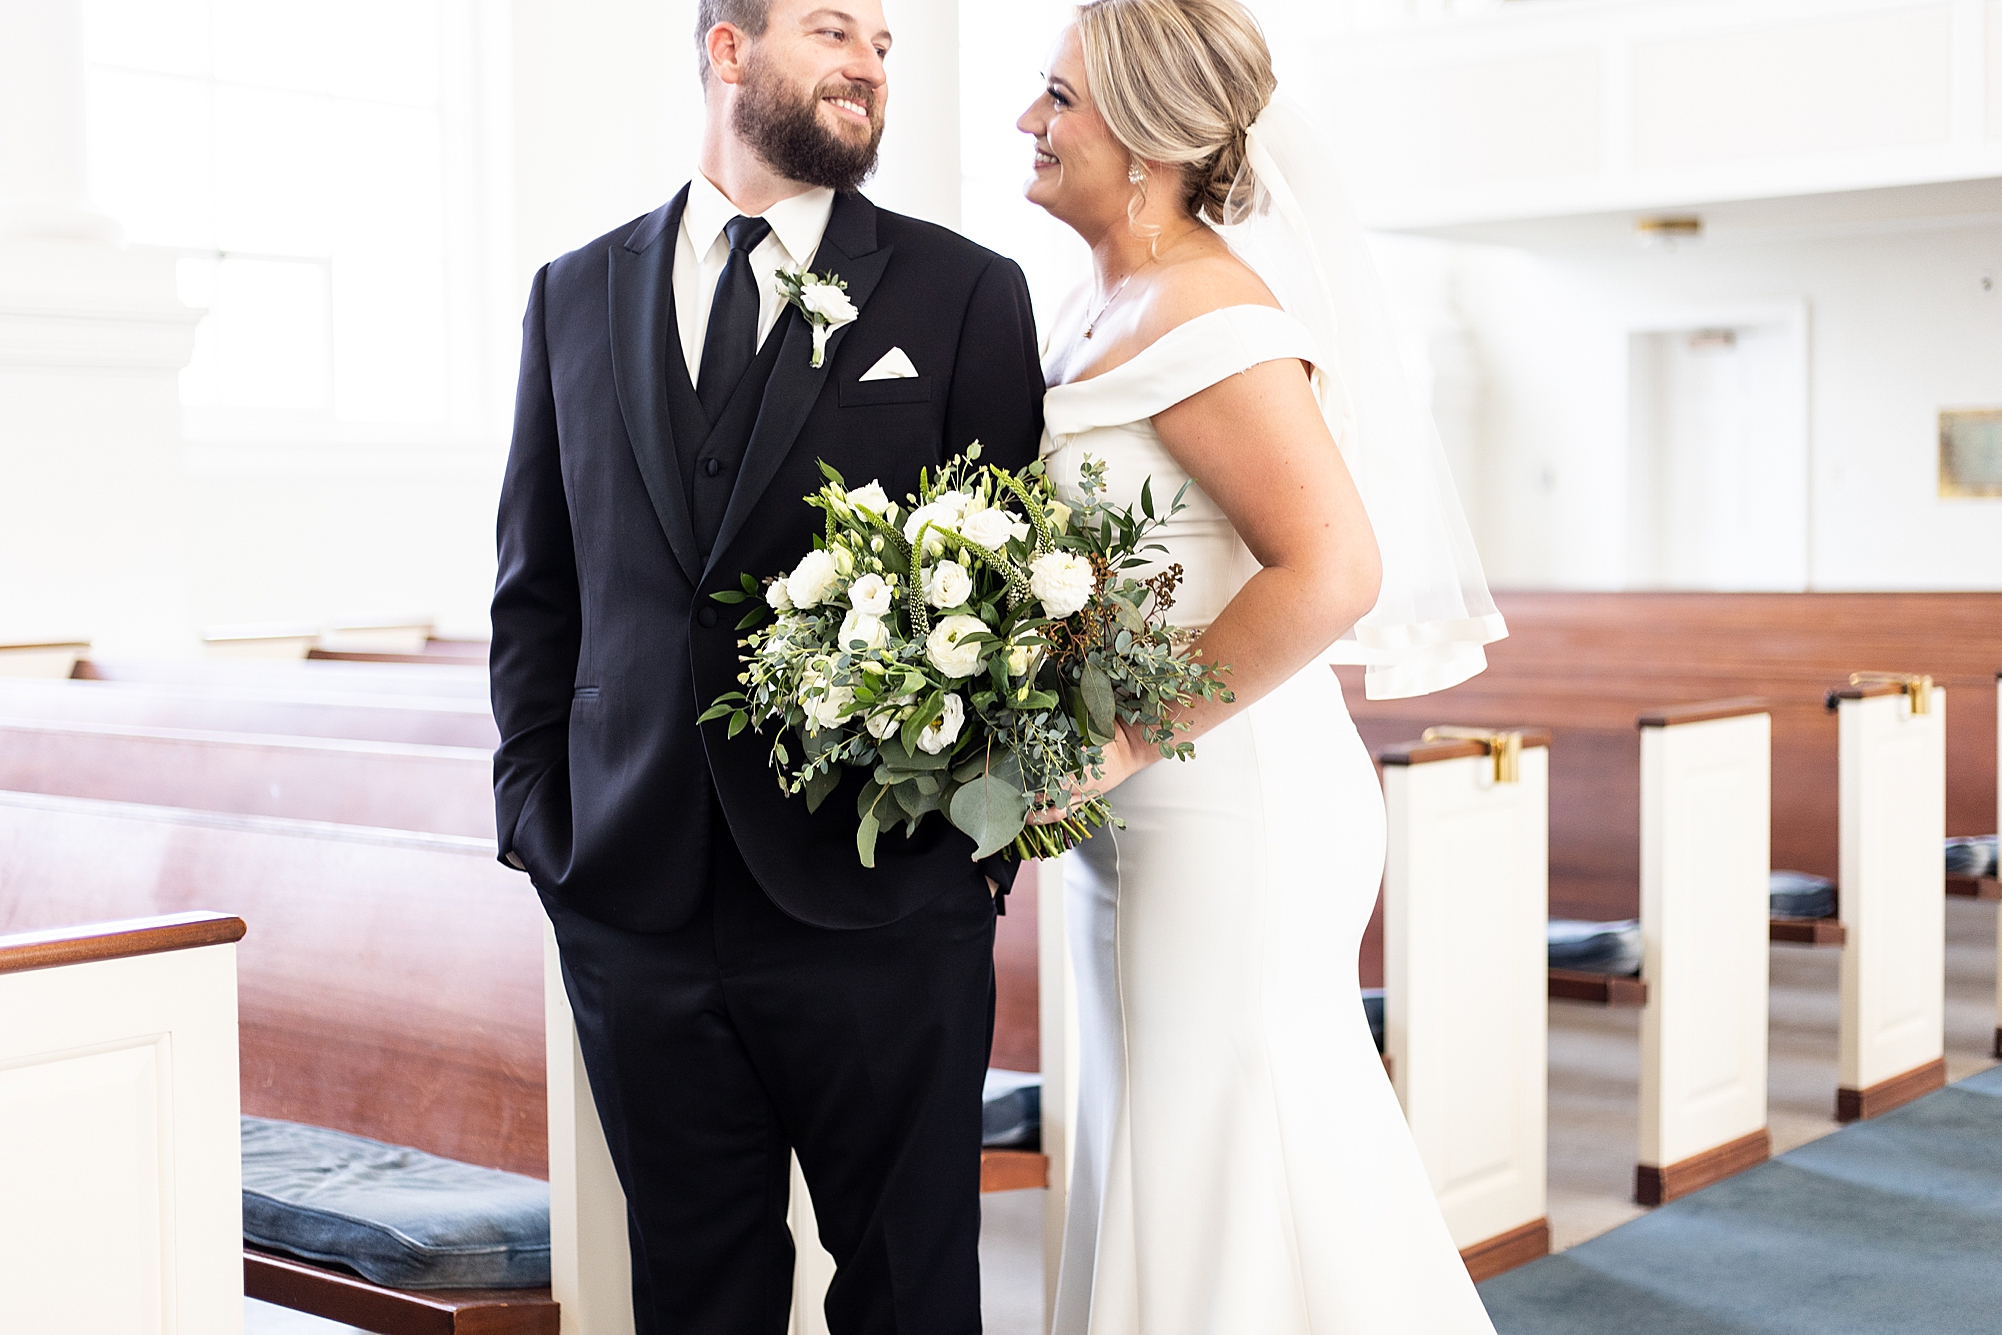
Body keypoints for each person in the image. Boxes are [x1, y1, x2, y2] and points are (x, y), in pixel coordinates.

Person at [489, 1, 1043, 1329]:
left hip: (882, 904)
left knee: (909, 1295)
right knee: (694, 1296)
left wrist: (973, 854)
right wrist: (538, 824)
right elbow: (538, 586)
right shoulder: (573, 292)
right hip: (632, 902)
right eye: (832, 30)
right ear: (727, 50)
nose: (868, 65)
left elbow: (1024, 601)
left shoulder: (962, 292)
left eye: (884, 46)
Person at [1017, 0, 1506, 1330]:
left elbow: (1333, 568)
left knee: (1233, 1146)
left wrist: (1124, 736)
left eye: (1057, 99)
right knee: (1165, 1144)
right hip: (1152, 812)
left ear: (1148, 136)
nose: (1028, 122)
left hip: (1235, 807)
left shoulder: (1210, 311)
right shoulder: (1097, 303)